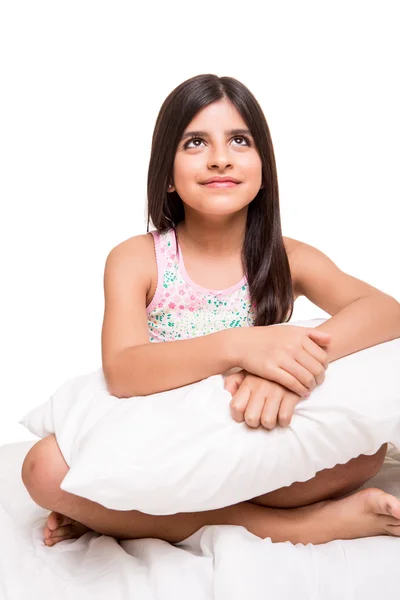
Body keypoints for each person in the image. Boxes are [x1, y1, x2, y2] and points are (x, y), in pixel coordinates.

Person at [21, 74, 400, 547]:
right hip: (165, 439)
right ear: (166, 174)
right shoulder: (136, 258)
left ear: (264, 167)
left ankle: (127, 515)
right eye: (196, 142)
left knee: (364, 454)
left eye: (239, 141)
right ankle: (298, 527)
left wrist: (284, 369)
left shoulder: (289, 257)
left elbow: (386, 311)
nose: (220, 157)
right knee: (43, 470)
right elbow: (122, 370)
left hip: (247, 435)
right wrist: (243, 346)